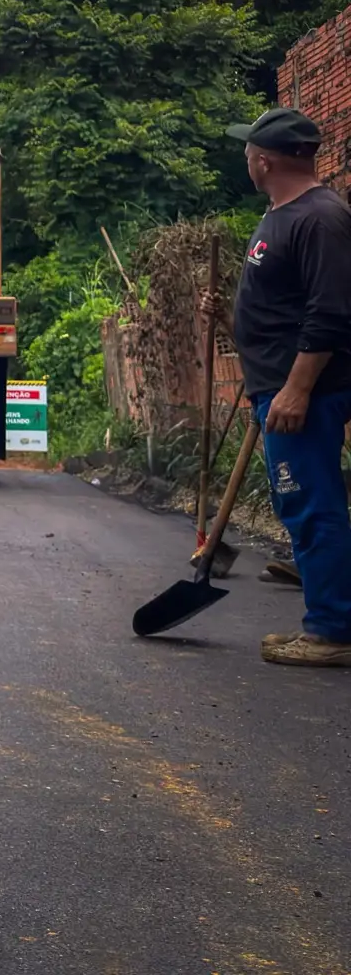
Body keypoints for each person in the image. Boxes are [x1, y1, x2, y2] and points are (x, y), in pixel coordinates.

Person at [226, 108, 351, 667]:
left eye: (248, 150)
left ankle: (331, 631)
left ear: (265, 160)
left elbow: (329, 314)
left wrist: (296, 389)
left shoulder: (320, 218)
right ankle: (328, 617)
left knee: (312, 502)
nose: (245, 157)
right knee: (299, 499)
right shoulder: (282, 213)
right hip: (274, 387)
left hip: (304, 393)